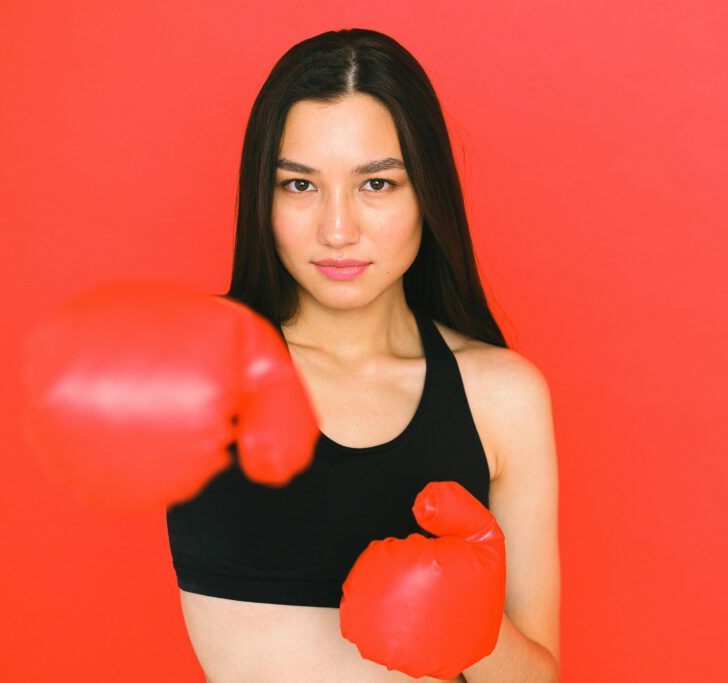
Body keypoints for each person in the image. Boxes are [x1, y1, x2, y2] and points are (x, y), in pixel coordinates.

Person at [164, 28, 560, 682]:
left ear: (426, 192)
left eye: (376, 184)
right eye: (299, 186)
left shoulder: (501, 395)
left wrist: (479, 631)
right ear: (261, 197)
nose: (338, 229)